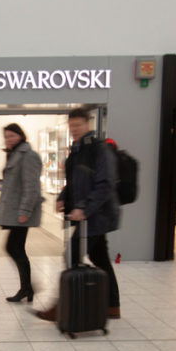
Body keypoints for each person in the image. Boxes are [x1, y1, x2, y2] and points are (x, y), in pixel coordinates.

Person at [36, 108, 121, 321]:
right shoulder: (78, 150)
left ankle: (63, 306)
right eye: (71, 126)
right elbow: (75, 181)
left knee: (72, 255)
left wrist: (85, 208)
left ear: (88, 124)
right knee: (100, 257)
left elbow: (105, 183)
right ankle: (112, 306)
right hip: (90, 214)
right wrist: (63, 196)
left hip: (97, 214)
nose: (74, 130)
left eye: (78, 125)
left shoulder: (99, 150)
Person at [0, 123, 43, 303]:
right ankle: (27, 288)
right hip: (14, 210)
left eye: (12, 136)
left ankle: (27, 287)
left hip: (21, 212)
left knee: (13, 247)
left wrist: (25, 210)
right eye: (6, 137)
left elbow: (32, 186)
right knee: (16, 248)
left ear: (21, 136)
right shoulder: (14, 154)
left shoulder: (28, 155)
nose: (9, 140)